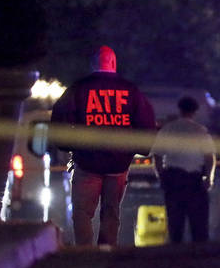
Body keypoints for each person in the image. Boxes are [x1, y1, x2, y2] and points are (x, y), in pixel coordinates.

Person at [51, 45, 157, 246]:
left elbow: (60, 117)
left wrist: (69, 144)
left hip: (87, 162)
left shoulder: (79, 88)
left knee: (82, 213)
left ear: (93, 65)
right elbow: (146, 124)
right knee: (111, 213)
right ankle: (106, 251)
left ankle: (86, 253)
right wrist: (134, 148)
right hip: (118, 164)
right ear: (114, 63)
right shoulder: (131, 90)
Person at [151, 95, 216, 243]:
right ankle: (199, 258)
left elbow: (158, 156)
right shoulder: (200, 131)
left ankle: (175, 259)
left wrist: (162, 177)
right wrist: (209, 178)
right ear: (195, 112)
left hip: (174, 179)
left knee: (175, 222)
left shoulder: (168, 130)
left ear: (179, 110)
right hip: (194, 180)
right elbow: (209, 157)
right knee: (199, 223)